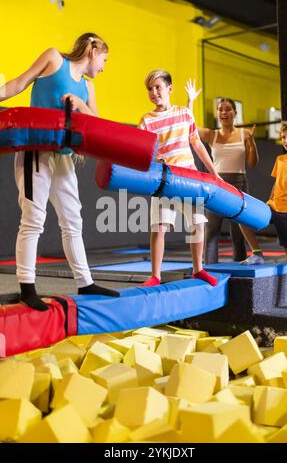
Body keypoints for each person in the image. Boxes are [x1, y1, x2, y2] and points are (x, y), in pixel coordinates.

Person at [0, 33, 120, 311]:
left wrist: (81, 106)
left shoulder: (88, 88)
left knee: (72, 219)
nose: (104, 66)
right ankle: (27, 287)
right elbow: (17, 84)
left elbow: (97, 124)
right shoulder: (54, 58)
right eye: (104, 58)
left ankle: (85, 282)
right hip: (36, 149)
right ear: (93, 49)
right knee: (34, 217)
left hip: (64, 157)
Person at [138, 70, 219, 288]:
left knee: (198, 224)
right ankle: (155, 275)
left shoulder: (184, 113)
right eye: (150, 89)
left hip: (189, 177)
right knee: (159, 227)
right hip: (163, 180)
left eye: (158, 87)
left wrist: (213, 172)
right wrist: (154, 161)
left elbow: (197, 144)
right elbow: (144, 151)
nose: (154, 93)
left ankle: (198, 269)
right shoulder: (146, 120)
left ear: (169, 89)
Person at [185, 79, 264, 265]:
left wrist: (252, 143)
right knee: (211, 229)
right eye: (220, 109)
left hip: (238, 183)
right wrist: (190, 101)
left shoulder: (244, 134)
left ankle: (241, 266)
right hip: (217, 185)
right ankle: (210, 267)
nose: (223, 112)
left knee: (238, 231)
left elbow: (252, 163)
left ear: (235, 113)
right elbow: (189, 126)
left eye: (228, 109)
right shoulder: (212, 134)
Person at [267, 120, 287, 270]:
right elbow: (276, 182)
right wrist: (269, 200)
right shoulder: (280, 159)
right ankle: (256, 253)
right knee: (244, 220)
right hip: (274, 207)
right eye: (283, 137)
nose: (286, 141)